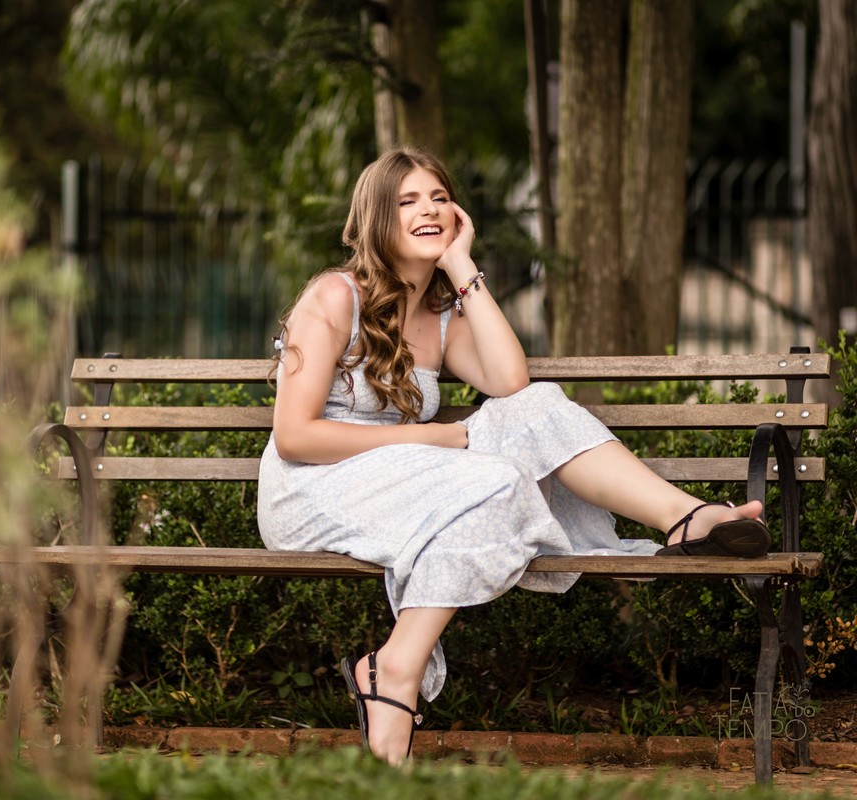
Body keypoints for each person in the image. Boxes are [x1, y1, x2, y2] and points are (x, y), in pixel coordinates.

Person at [255, 147, 770, 766]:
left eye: (440, 198)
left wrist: (461, 264)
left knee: (534, 408)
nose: (429, 210)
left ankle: (686, 518)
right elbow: (296, 437)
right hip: (312, 490)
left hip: (400, 482)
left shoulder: (440, 316)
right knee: (495, 486)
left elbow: (511, 380)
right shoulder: (335, 296)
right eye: (407, 201)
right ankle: (393, 673)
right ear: (375, 220)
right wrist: (427, 437)